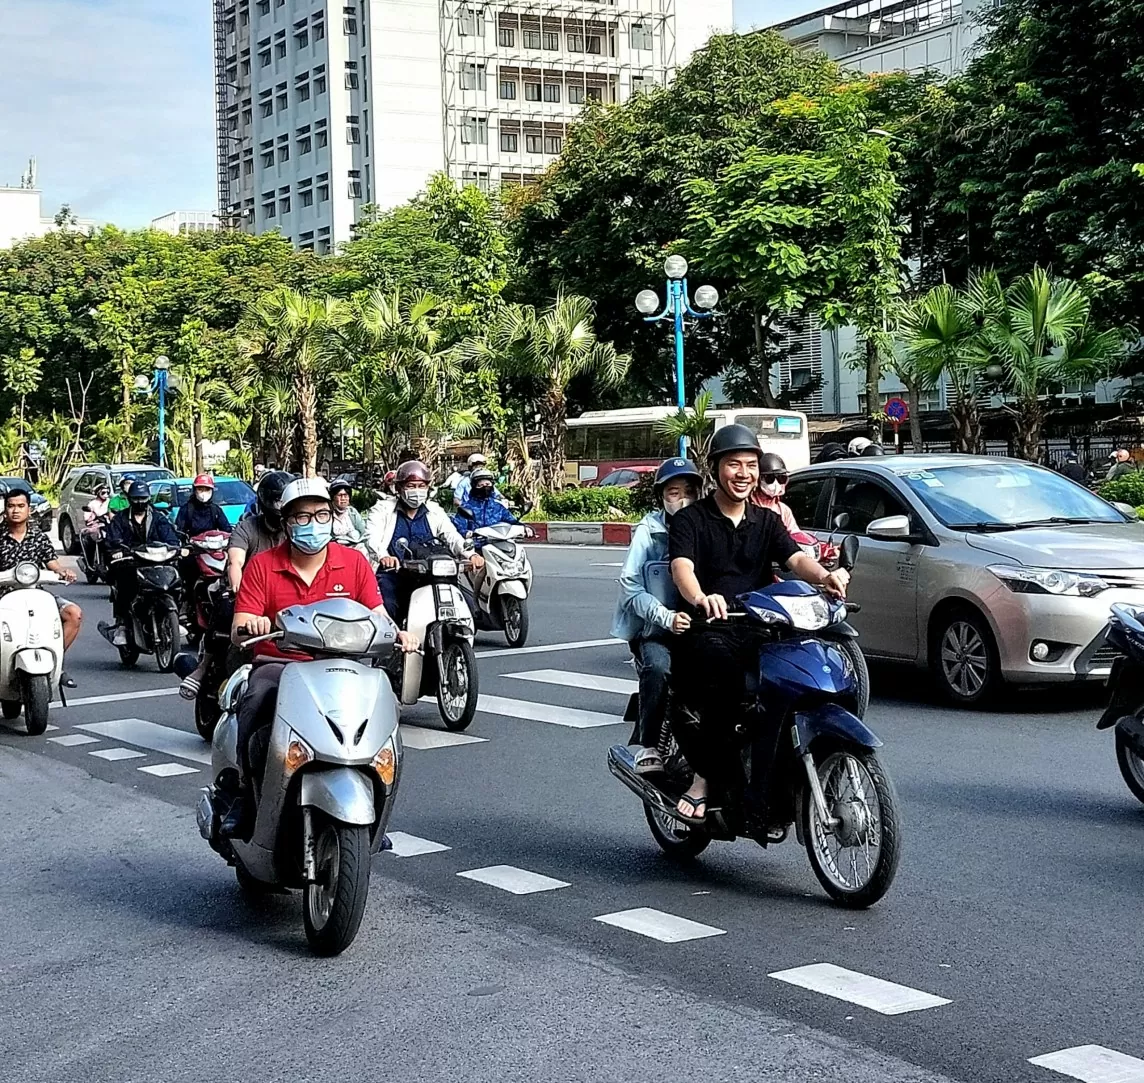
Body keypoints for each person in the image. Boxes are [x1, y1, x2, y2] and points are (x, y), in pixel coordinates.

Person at [668, 425, 848, 823]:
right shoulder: (691, 520)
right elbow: (682, 567)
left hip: (759, 627)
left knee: (802, 672)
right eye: (734, 465)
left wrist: (825, 578)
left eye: (751, 465)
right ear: (715, 469)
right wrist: (701, 598)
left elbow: (796, 559)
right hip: (708, 629)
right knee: (726, 683)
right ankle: (702, 777)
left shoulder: (766, 521)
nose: (744, 473)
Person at [221, 477, 418, 837]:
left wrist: (399, 632)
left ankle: (377, 800)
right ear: (286, 521)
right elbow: (238, 628)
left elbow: (377, 612)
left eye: (322, 514)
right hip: (280, 666)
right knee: (256, 702)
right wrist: (252, 624)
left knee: (385, 710)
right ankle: (244, 795)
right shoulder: (263, 565)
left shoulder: (354, 562)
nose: (313, 524)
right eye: (302, 517)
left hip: (344, 667)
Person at [611, 457, 701, 774]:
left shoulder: (706, 525)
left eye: (689, 491)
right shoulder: (650, 531)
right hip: (655, 630)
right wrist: (666, 618)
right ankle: (648, 744)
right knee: (659, 667)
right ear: (662, 496)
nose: (683, 499)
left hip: (699, 627)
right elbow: (630, 585)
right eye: (674, 492)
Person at [367, 460, 478, 626]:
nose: (416, 491)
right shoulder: (382, 510)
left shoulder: (434, 510)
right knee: (387, 607)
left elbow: (450, 535)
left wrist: (470, 553)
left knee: (465, 605)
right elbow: (372, 537)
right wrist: (384, 556)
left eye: (421, 486)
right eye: (411, 486)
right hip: (394, 574)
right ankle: (392, 645)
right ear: (399, 488)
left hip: (429, 575)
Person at [0, 487, 81, 689]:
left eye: (21, 506)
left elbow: (52, 562)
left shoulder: (38, 537)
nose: (15, 511)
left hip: (35, 595)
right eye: (11, 506)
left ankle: (56, 663)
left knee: (73, 614)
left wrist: (63, 571)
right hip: (4, 597)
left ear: (29, 509)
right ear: (4, 509)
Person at [99, 481, 180, 646]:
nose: (139, 502)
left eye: (143, 498)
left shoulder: (159, 518)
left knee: (176, 578)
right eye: (136, 498)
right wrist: (117, 550)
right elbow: (112, 541)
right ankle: (122, 624)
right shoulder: (120, 519)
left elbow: (171, 538)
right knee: (124, 581)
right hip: (130, 562)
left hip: (157, 561)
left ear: (148, 499)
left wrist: (177, 548)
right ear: (129, 499)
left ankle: (176, 619)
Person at [226, 469, 289, 594]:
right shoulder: (246, 528)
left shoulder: (297, 527)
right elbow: (235, 562)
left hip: (289, 593)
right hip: (253, 592)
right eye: (278, 501)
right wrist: (237, 590)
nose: (282, 506)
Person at [750, 452, 799, 531]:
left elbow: (794, 535)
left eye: (781, 478)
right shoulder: (747, 507)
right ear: (759, 479)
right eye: (770, 478)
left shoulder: (784, 510)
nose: (776, 483)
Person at [329, 480, 371, 556]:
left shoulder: (352, 512)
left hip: (355, 548)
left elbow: (363, 531)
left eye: (346, 495)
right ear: (333, 497)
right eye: (340, 495)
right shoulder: (328, 513)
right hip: (336, 550)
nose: (343, 498)